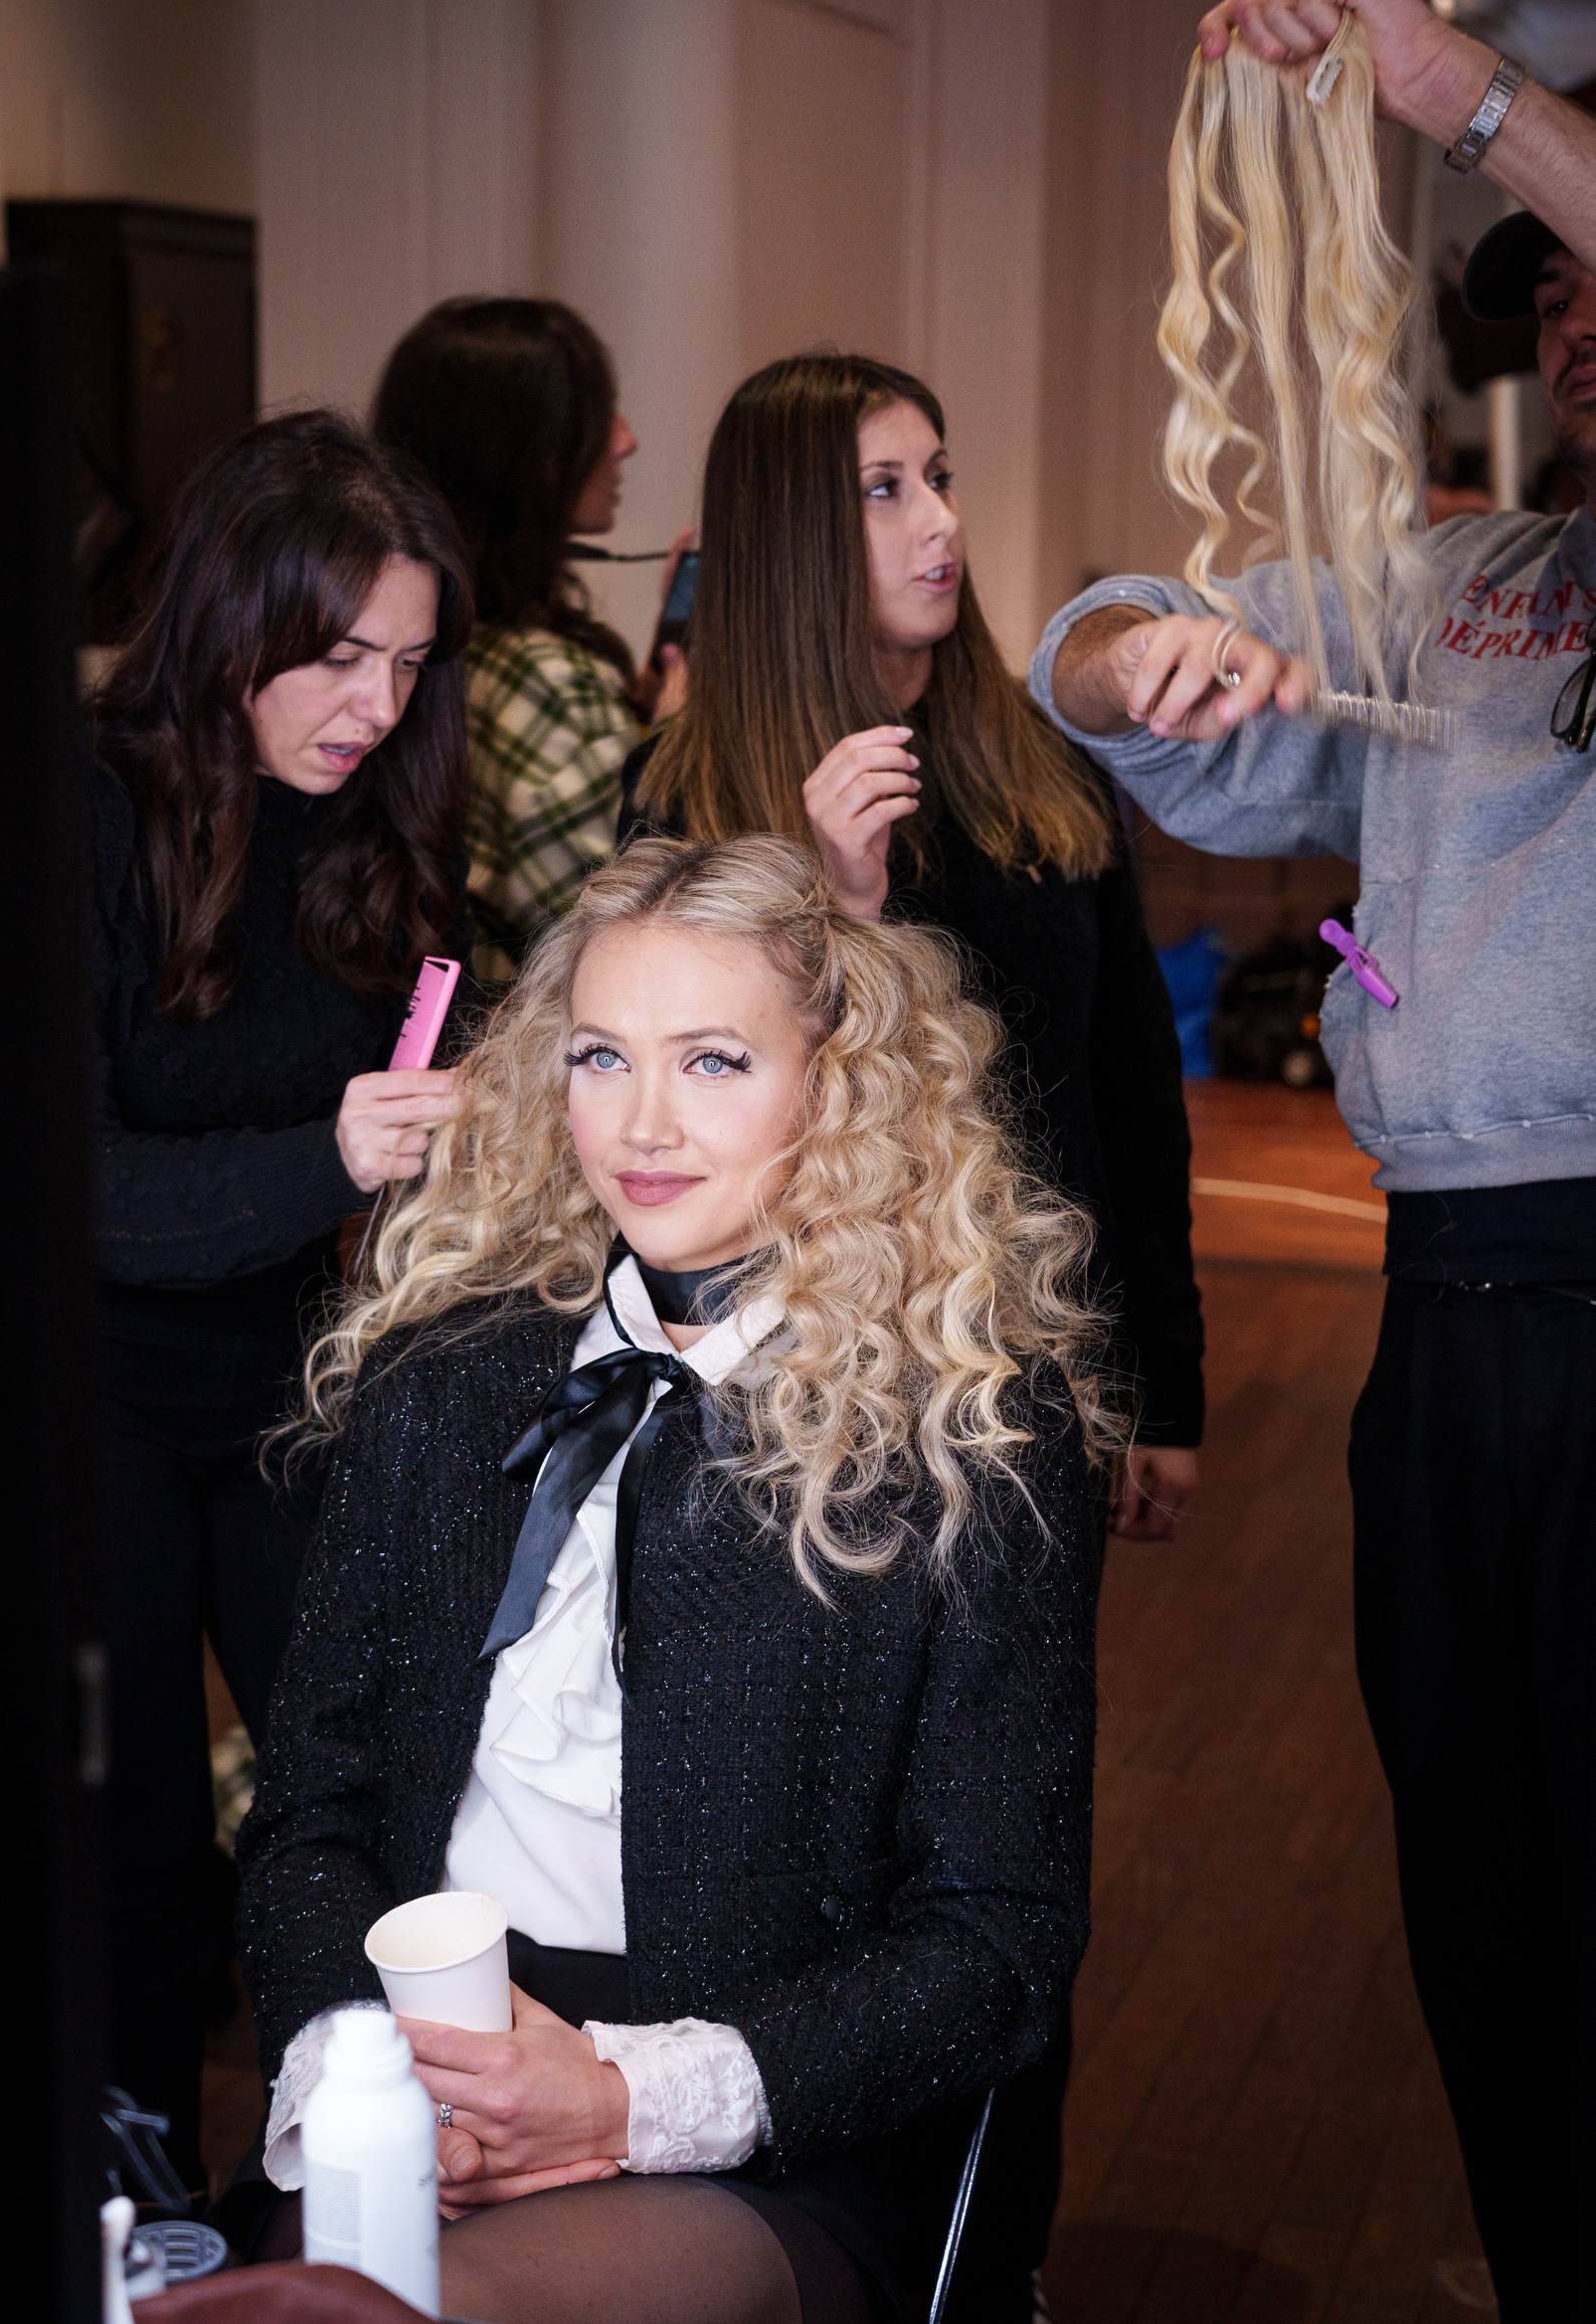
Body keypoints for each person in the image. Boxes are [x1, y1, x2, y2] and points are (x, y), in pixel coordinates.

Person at [1033, 0, 1595, 2323]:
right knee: (1483, 1884)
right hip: (1447, 1326)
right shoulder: (1470, 588)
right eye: (1555, 301)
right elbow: (1097, 645)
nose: (1575, 326)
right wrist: (1137, 655)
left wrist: (1457, 87)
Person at [231, 834, 1107, 2324]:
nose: (641, 1124)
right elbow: (308, 1815)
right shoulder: (444, 1379)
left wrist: (628, 2100)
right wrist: (360, 2078)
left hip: (761, 2130)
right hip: (425, 2077)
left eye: (711, 1063)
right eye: (599, 1057)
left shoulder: (966, 1435)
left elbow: (998, 1940)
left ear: (836, 1088)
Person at [621, 354, 1204, 1546]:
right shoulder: (687, 794)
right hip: (791, 1375)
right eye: (883, 489)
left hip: (1037, 1361)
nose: (941, 522)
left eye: (937, 477)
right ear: (792, 534)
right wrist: (833, 901)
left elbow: (1132, 1093)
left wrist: (1163, 1381)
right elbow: (679, 1117)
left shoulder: (1046, 765)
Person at [90, 412, 474, 2189]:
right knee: (133, 1841)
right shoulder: (89, 813)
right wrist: (329, 1154)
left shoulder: (366, 829)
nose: (374, 706)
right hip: (83, 1393)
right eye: (335, 657)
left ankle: (344, 2196)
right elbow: (75, 1197)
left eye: (403, 663)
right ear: (231, 618)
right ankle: (142, 2206)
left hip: (277, 1386)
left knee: (359, 1806)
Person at [373, 297, 689, 984]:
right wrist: (668, 753)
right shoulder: (549, 683)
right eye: (595, 417)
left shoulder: (429, 646)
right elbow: (639, 940)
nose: (625, 439)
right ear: (522, 454)